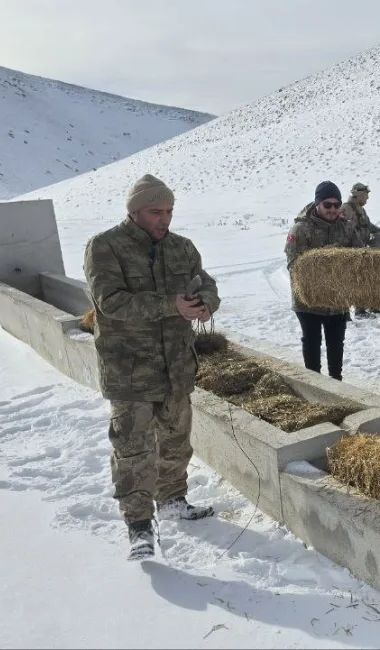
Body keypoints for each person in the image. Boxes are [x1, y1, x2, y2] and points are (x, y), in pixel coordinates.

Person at [83, 173, 221, 561]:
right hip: (130, 371)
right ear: (134, 211)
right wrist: (170, 305)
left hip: (176, 367)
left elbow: (206, 283)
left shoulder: (182, 248)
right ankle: (139, 524)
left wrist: (207, 303)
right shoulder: (105, 247)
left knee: (176, 441)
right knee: (133, 450)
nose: (165, 219)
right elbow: (110, 301)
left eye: (169, 210)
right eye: (155, 211)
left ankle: (173, 500)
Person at [285, 180, 361, 380]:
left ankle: (337, 384)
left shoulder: (346, 228)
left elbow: (360, 257)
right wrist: (325, 260)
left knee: (336, 344)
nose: (333, 209)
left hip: (337, 301)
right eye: (327, 205)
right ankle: (316, 385)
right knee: (312, 343)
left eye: (336, 205)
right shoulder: (300, 229)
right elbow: (294, 265)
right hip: (308, 300)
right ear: (317, 203)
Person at [340, 182, 380, 318]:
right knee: (357, 280)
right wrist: (359, 248)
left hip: (361, 251)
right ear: (358, 194)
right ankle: (360, 310)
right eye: (366, 195)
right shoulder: (347, 209)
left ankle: (371, 306)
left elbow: (368, 226)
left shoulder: (360, 209)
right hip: (352, 252)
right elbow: (348, 231)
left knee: (367, 278)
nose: (367, 198)